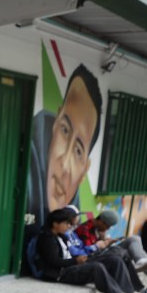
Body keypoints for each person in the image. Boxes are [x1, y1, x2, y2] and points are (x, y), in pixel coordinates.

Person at [26, 64, 103, 230]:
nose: (64, 162)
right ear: (55, 126)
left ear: (84, 170)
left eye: (78, 151)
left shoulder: (73, 213)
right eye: (65, 130)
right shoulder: (26, 173)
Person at [34, 208, 143, 293]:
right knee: (96, 267)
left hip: (74, 263)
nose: (68, 226)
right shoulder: (47, 239)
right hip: (62, 273)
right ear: (55, 224)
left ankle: (130, 292)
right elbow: (54, 262)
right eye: (66, 223)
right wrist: (75, 260)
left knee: (114, 260)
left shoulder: (62, 236)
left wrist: (80, 258)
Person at [73, 209, 147, 271]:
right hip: (95, 258)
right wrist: (100, 244)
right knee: (125, 251)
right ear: (101, 221)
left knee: (134, 239)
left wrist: (107, 242)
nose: (108, 229)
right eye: (108, 226)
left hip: (103, 253)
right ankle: (140, 265)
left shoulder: (98, 229)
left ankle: (141, 261)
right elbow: (87, 252)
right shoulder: (84, 229)